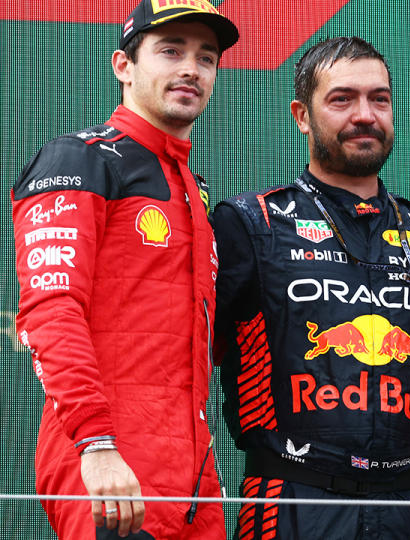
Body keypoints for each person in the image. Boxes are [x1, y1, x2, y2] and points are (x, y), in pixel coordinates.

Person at [213, 37, 410, 539]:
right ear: (302, 115)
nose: (365, 115)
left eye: (380, 99)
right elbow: (194, 347)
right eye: (342, 99)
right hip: (295, 497)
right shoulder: (251, 221)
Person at [11, 1, 238, 538]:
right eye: (170, 51)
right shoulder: (78, 159)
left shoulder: (194, 191)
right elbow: (50, 311)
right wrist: (97, 446)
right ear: (123, 66)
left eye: (206, 58)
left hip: (192, 478)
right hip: (110, 463)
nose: (191, 68)